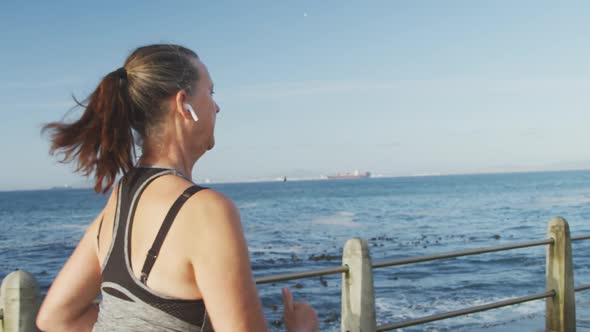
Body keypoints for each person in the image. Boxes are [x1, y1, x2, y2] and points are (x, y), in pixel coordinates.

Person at [36, 44, 319, 332]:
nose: (217, 107)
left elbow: (56, 317)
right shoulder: (205, 210)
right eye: (210, 93)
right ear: (185, 105)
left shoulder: (122, 198)